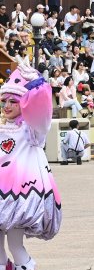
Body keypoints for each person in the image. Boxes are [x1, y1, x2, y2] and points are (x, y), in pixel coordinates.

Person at [0, 60, 60, 270]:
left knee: (15, 245)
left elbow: (42, 116)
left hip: (19, 197)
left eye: (13, 101)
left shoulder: (31, 129)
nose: (7, 106)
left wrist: (38, 87)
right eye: (4, 101)